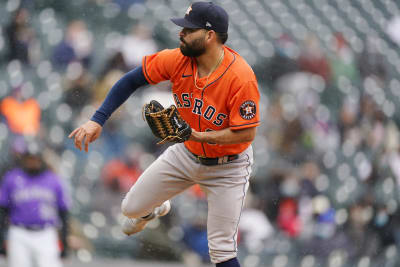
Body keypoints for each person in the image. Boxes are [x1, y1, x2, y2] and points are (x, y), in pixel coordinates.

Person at [69, 2, 260, 266]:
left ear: (210, 35)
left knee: (222, 250)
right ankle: (157, 207)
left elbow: (245, 134)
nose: (180, 33)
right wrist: (98, 119)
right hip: (186, 153)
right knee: (130, 209)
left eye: (189, 30)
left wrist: (197, 136)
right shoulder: (177, 59)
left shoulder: (241, 77)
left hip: (228, 167)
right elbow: (131, 80)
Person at [0, 145, 70, 267]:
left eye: (35, 158)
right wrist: (1, 241)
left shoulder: (53, 179)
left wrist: (64, 243)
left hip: (46, 233)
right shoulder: (12, 178)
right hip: (19, 232)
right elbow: (2, 211)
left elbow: (63, 213)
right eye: (29, 158)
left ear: (41, 159)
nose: (32, 162)